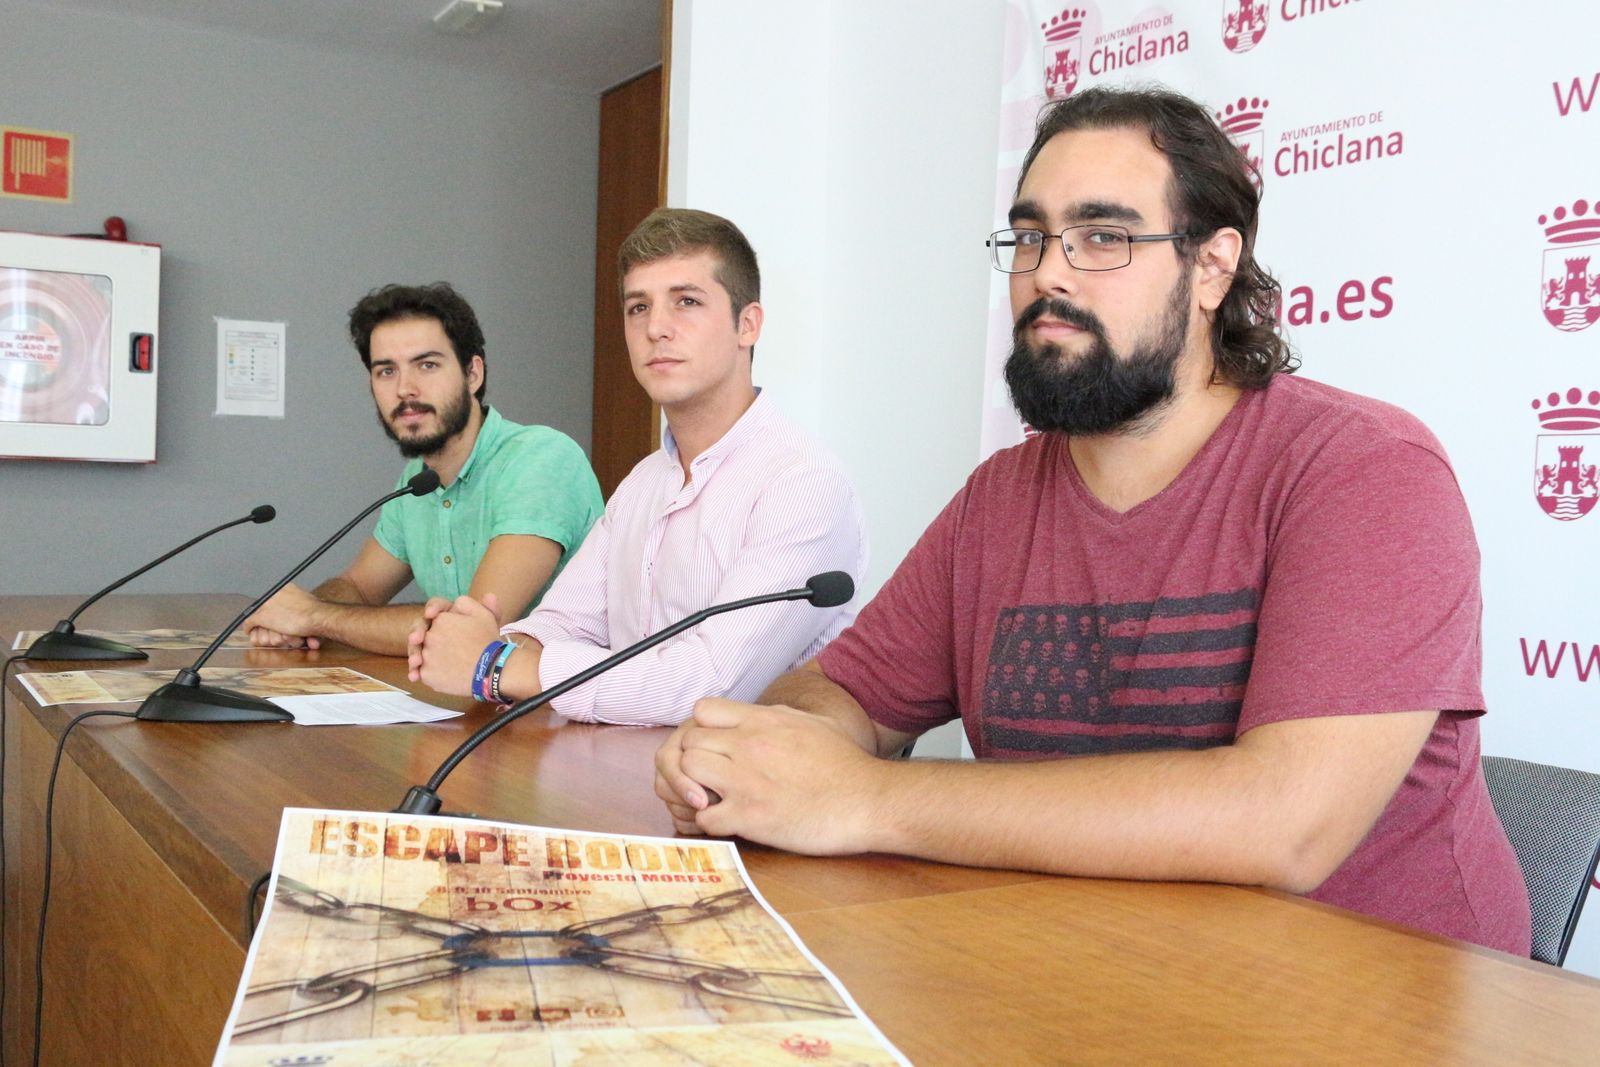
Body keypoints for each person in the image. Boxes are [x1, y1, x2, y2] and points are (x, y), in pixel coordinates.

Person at [653, 87, 1532, 955]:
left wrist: (863, 798)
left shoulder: (1363, 469)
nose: (1050, 274)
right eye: (1031, 236)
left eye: (1103, 237)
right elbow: (844, 694)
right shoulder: (999, 499)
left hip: (1378, 1004)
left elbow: (1286, 825)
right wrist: (767, 758)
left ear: (1213, 267)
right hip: (1091, 969)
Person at [409, 209, 866, 724]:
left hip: (751, 791)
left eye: (686, 302)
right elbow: (567, 621)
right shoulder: (645, 481)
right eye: (637, 307)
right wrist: (484, 637)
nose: (656, 329)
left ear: (748, 324)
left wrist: (495, 665)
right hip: (625, 770)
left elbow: (710, 685)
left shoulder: (802, 483)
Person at [243, 283, 602, 656]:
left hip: (565, 708)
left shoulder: (541, 458)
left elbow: (473, 632)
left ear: (473, 374)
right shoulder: (419, 481)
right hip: (471, 702)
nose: (405, 389)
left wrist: (312, 617)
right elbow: (359, 589)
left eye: (427, 365)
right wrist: (291, 620)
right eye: (386, 371)